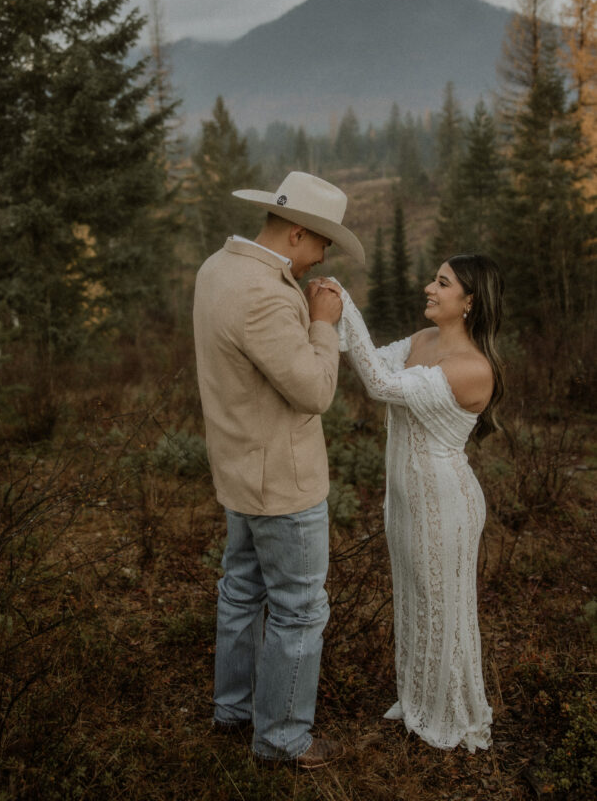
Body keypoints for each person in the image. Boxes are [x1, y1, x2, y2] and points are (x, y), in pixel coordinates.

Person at [193, 171, 365, 769]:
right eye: (323, 243)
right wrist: (323, 320)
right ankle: (282, 739)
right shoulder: (265, 295)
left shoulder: (217, 268)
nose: (323, 256)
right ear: (297, 233)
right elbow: (314, 389)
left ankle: (233, 709)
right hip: (283, 487)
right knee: (298, 609)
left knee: (240, 592)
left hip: (239, 471)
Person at [321, 254, 504, 753]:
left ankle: (453, 715)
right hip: (406, 500)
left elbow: (380, 384)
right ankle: (419, 701)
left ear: (469, 302)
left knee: (445, 609)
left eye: (442, 283)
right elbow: (375, 360)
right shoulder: (422, 342)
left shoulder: (470, 367)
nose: (429, 288)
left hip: (446, 505)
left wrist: (345, 302)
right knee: (414, 602)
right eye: (433, 279)